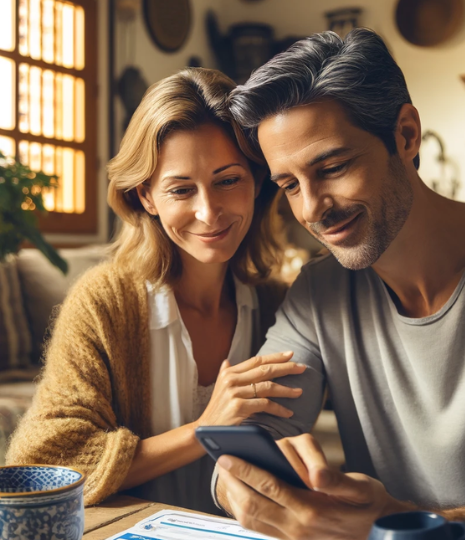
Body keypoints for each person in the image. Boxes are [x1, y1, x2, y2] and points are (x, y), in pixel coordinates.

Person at [214, 29, 465, 540]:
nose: (312, 209)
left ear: (407, 134)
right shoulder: (318, 292)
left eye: (331, 168)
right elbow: (253, 434)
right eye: (289, 185)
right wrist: (243, 482)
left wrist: (398, 529)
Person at [6, 68, 307, 513]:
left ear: (258, 181)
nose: (209, 213)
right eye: (181, 189)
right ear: (146, 196)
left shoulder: (275, 305)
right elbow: (41, 466)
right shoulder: (104, 303)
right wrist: (206, 427)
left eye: (228, 180)